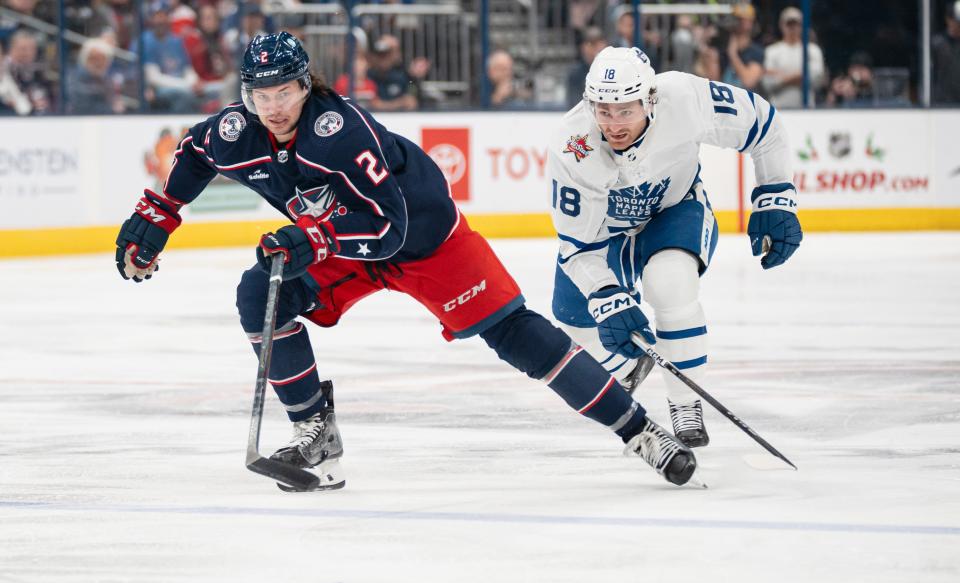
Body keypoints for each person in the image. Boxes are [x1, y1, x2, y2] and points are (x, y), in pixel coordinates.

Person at [112, 32, 701, 489]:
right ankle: (314, 432)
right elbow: (192, 152)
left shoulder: (338, 132)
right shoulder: (238, 129)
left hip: (423, 238)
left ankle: (639, 431)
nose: (272, 107)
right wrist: (158, 215)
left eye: (285, 93)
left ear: (307, 87)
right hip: (341, 242)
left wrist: (312, 240)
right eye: (260, 96)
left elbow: (388, 229)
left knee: (514, 333)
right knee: (261, 292)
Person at [546, 46, 801, 449]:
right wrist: (607, 295)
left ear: (650, 99)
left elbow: (762, 124)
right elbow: (578, 246)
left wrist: (774, 193)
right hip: (606, 236)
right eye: (603, 110)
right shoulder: (572, 146)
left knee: (669, 283)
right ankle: (631, 366)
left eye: (625, 110)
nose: (613, 124)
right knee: (572, 321)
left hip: (675, 209)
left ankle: (685, 401)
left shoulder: (684, 98)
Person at [761, 6, 824, 108]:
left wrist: (782, 77)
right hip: (778, 110)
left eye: (796, 24)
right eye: (789, 24)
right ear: (781, 25)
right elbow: (768, 83)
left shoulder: (813, 50)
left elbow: (816, 80)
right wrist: (799, 76)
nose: (793, 28)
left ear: (802, 25)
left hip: (807, 111)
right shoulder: (771, 51)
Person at [566, 27, 607, 109]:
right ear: (583, 47)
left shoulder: (614, 69)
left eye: (599, 43)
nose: (596, 48)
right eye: (591, 44)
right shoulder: (575, 74)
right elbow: (575, 105)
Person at [932, 0, 960, 105]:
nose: (958, 25)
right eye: (956, 21)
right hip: (942, 104)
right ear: (948, 19)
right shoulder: (937, 44)